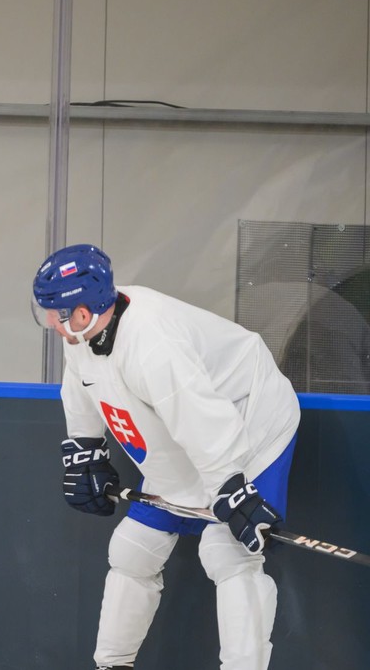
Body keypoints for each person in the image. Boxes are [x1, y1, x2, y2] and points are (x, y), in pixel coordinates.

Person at [30, 244, 299, 670]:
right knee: (133, 551)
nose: (48, 322)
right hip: (185, 433)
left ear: (81, 313)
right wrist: (85, 448)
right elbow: (81, 384)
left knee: (228, 554)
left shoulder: (153, 346)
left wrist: (230, 486)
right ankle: (112, 664)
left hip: (248, 421)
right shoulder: (81, 334)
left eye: (53, 312)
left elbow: (203, 418)